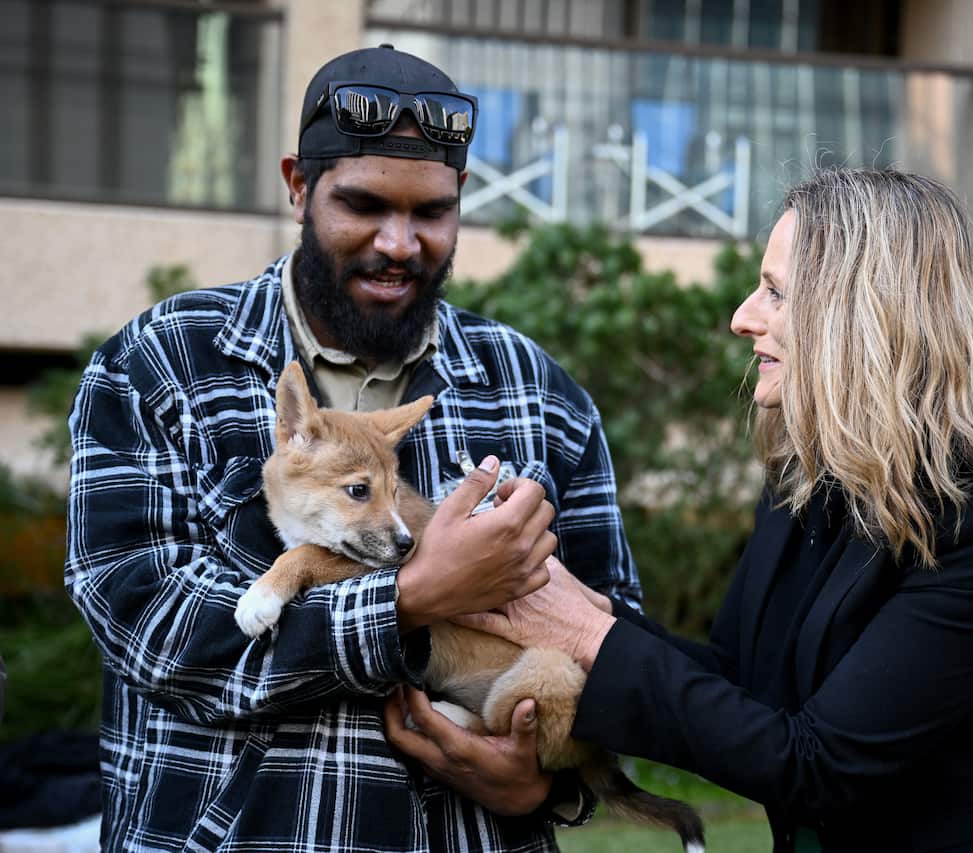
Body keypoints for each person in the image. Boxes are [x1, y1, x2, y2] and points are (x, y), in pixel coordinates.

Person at [64, 44, 640, 852]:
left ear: (460, 201)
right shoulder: (162, 364)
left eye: (431, 212)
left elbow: (616, 638)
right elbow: (143, 623)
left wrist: (546, 782)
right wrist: (407, 598)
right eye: (365, 204)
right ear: (298, 185)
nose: (400, 242)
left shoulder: (536, 390)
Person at [427, 168, 973, 852]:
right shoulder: (802, 487)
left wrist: (588, 638)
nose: (742, 317)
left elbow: (819, 765)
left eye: (776, 293)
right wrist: (585, 609)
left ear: (861, 315)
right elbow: (741, 685)